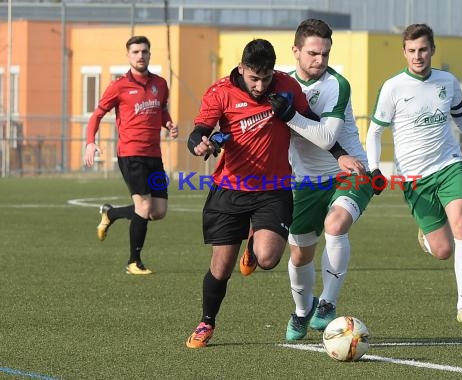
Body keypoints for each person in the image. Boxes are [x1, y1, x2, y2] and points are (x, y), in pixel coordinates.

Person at [185, 38, 362, 349]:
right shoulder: (220, 91)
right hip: (229, 189)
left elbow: (311, 124)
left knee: (268, 259)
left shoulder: (285, 85)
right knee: (221, 268)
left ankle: (253, 243)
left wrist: (339, 154)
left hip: (274, 190)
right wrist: (200, 141)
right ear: (242, 69)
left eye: (265, 78)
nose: (260, 85)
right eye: (254, 78)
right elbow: (200, 130)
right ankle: (206, 321)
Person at [366, 24, 462, 324]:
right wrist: (374, 169)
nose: (418, 56)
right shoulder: (393, 88)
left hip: (448, 165)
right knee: (443, 250)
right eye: (412, 51)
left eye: (423, 49)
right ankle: (427, 237)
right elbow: (375, 132)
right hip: (414, 179)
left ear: (433, 49)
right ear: (404, 52)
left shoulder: (448, 82)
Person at [283, 18, 381, 341]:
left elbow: (326, 135)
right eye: (312, 53)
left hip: (349, 171)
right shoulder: (282, 85)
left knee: (336, 224)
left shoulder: (337, 84)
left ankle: (327, 303)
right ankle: (302, 310)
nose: (319, 61)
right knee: (300, 255)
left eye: (324, 54)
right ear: (296, 50)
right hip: (305, 182)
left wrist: (288, 114)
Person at [83, 35, 178, 275]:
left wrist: (169, 124)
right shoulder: (118, 86)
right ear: (128, 56)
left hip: (154, 156)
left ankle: (111, 213)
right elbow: (96, 115)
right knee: (144, 206)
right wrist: (90, 143)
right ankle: (133, 262)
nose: (140, 56)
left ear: (149, 54)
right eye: (135, 52)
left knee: (158, 211)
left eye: (144, 51)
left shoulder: (161, 84)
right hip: (130, 154)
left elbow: (161, 111)